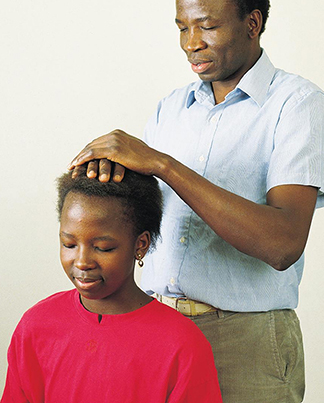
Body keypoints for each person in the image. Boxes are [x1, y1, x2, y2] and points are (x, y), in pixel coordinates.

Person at [68, 0, 324, 401]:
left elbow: (283, 243)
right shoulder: (171, 108)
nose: (190, 43)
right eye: (182, 27)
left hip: (245, 340)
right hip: (156, 330)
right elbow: (142, 222)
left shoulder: (299, 105)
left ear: (252, 23)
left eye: (207, 26)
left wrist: (164, 165)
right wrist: (106, 174)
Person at [1, 167, 223, 403]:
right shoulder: (36, 325)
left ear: (141, 244)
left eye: (103, 248)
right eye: (69, 244)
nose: (82, 262)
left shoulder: (182, 344)